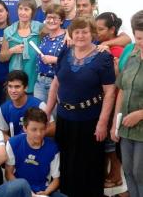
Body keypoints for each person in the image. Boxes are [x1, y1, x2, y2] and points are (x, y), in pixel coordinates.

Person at [46, 16, 115, 197]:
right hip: (65, 119)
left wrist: (103, 122)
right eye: (77, 32)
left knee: (89, 164)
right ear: (71, 33)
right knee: (67, 162)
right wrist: (47, 111)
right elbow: (55, 84)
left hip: (90, 121)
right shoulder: (64, 51)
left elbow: (109, 92)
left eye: (85, 32)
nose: (80, 35)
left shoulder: (103, 57)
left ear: (92, 33)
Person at [111, 10, 143, 197]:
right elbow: (121, 88)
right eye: (138, 38)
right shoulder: (130, 55)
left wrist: (140, 114)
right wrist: (116, 121)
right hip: (125, 126)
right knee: (128, 171)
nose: (141, 43)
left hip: (140, 126)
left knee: (140, 173)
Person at [5, 107, 67, 197]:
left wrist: (45, 193)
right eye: (34, 129)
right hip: (19, 189)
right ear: (25, 128)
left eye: (42, 129)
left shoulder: (53, 148)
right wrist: (28, 193)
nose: (39, 134)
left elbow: (56, 180)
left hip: (42, 191)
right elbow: (8, 174)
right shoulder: (13, 143)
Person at [96, 12, 124, 188]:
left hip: (114, 100)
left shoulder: (118, 51)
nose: (97, 32)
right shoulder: (99, 45)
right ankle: (107, 172)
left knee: (111, 141)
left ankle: (116, 175)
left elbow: (119, 80)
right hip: (101, 99)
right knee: (104, 140)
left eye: (101, 29)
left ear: (112, 30)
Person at [0, 0, 43, 94]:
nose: (22, 12)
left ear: (33, 12)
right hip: (15, 82)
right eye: (20, 9)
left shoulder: (40, 28)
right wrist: (12, 50)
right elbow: (2, 57)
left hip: (36, 80)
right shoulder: (9, 31)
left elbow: (57, 32)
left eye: (26, 9)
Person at [0, 70, 55, 140]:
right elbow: (2, 133)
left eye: (17, 87)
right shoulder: (4, 108)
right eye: (10, 86)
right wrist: (13, 143)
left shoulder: (39, 105)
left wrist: (33, 135)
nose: (13, 91)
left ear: (26, 87)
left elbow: (53, 128)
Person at [34, 4, 65, 103]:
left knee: (54, 115)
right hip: (40, 82)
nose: (51, 21)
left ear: (62, 21)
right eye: (49, 17)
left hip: (57, 82)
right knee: (39, 115)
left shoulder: (67, 38)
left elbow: (73, 61)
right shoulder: (45, 37)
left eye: (55, 18)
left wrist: (55, 60)